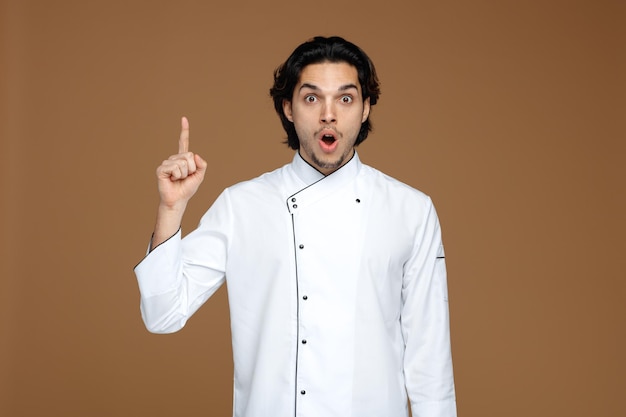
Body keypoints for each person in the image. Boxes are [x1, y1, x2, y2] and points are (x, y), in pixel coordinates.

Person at [135, 36, 457, 417]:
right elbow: (163, 315)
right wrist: (170, 209)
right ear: (288, 108)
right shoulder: (242, 205)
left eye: (346, 98)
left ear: (366, 108)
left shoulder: (411, 210)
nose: (328, 114)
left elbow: (429, 359)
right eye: (311, 98)